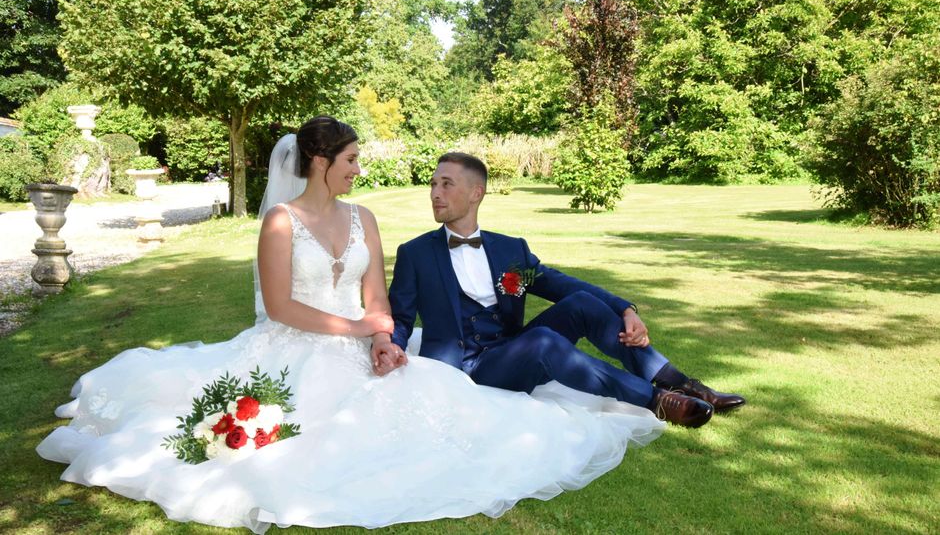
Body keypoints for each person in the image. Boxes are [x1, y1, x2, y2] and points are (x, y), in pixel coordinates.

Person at [36, 117, 664, 534]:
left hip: (366, 344)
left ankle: (666, 388)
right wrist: (358, 331)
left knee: (442, 412)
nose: (358, 169)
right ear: (317, 161)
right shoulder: (281, 221)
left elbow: (379, 300)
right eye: (351, 159)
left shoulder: (364, 217)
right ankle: (662, 392)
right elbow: (281, 307)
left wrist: (386, 339)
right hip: (296, 344)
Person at [379, 152, 745, 428]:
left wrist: (626, 309)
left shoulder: (510, 250)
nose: (435, 193)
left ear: (476, 193)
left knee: (582, 304)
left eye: (446, 184)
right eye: (432, 184)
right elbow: (402, 317)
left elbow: (562, 285)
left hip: (509, 351)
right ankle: (657, 401)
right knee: (543, 343)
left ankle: (685, 385)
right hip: (466, 368)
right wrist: (392, 342)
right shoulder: (416, 254)